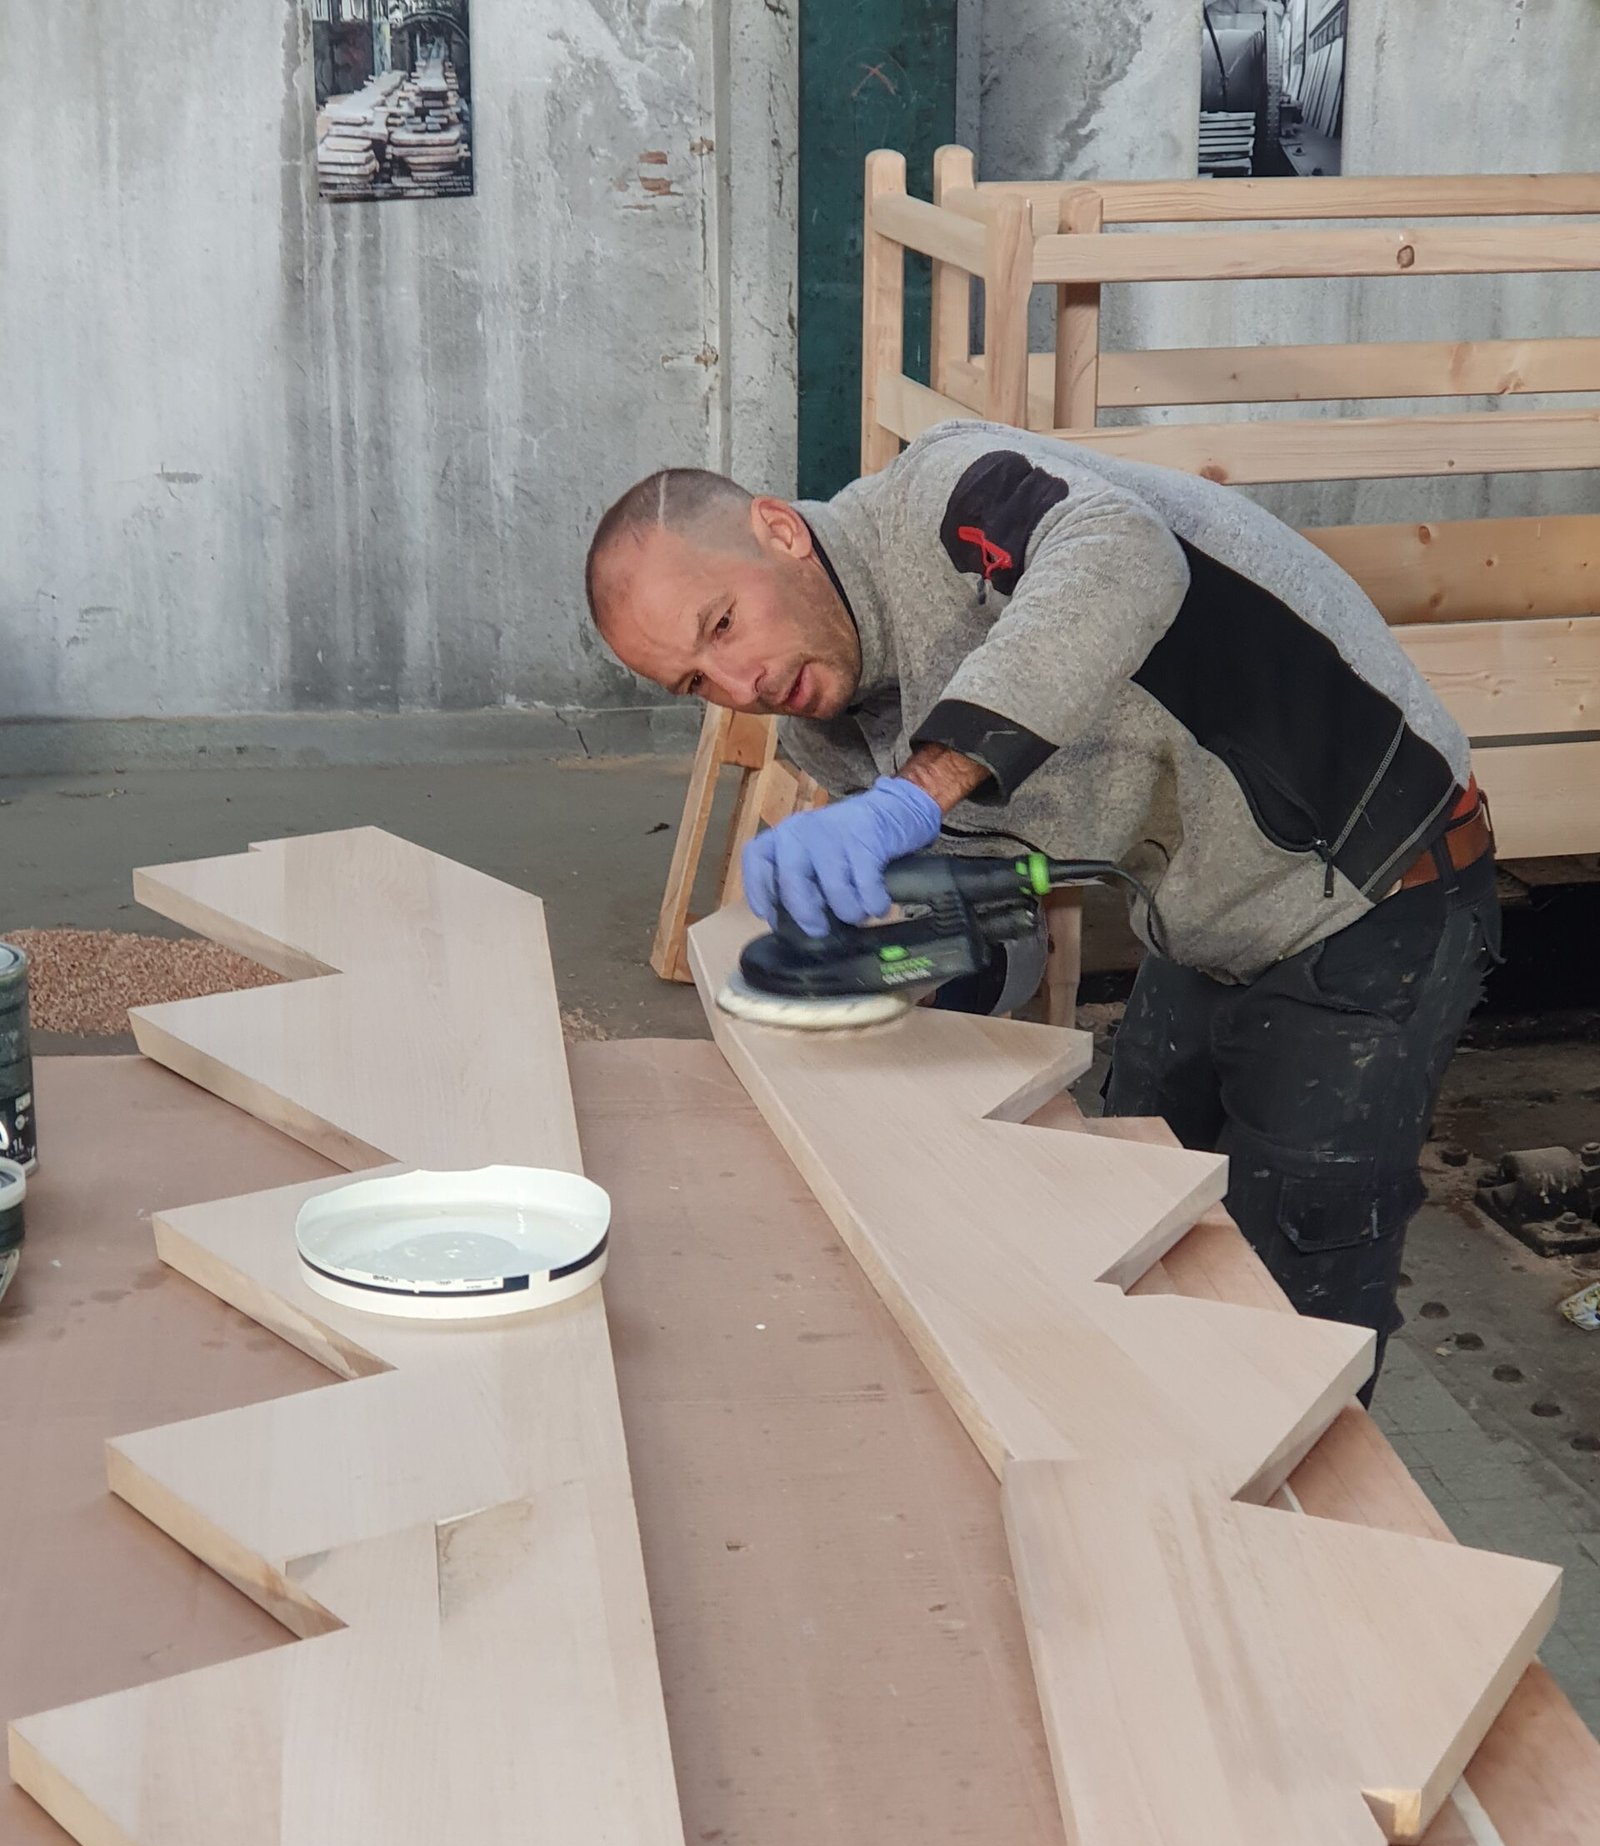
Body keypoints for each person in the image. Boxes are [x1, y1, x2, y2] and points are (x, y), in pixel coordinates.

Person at [584, 420, 1499, 1390]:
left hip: (1373, 883)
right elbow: (999, 914)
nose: (741, 684)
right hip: (1204, 912)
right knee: (1137, 1222)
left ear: (779, 530)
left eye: (723, 625)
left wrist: (913, 795)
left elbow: (1126, 554)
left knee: (1288, 1320)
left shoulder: (953, 498)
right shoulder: (823, 719)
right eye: (696, 681)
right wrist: (885, 970)